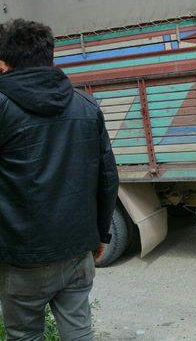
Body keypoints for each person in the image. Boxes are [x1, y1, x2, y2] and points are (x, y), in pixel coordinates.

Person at [0, 19, 119, 340]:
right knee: (79, 332)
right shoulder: (86, 103)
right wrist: (101, 235)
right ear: (50, 56)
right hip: (77, 250)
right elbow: (108, 177)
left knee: (24, 335)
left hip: (22, 257)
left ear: (4, 62)